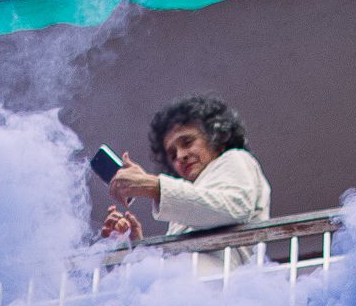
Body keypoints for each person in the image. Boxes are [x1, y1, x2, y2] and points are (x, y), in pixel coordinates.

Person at [101, 95, 272, 240]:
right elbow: (177, 265)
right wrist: (136, 243)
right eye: (172, 154)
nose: (181, 156)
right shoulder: (183, 207)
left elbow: (235, 206)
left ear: (217, 138)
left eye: (188, 142)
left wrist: (154, 186)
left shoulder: (235, 158)